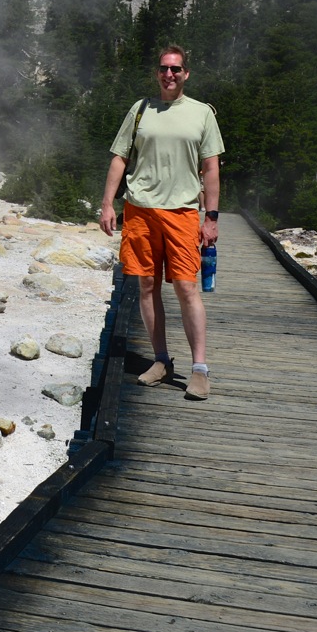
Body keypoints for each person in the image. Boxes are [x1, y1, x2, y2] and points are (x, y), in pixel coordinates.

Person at [99, 45, 223, 400]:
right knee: (147, 287)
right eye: (164, 69)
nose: (169, 75)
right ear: (157, 73)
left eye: (176, 69)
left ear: (186, 74)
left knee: (187, 289)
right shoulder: (140, 111)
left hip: (182, 212)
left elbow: (211, 168)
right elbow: (119, 158)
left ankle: (199, 369)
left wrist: (210, 218)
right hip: (140, 210)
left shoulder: (202, 114)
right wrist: (108, 204)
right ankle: (161, 360)